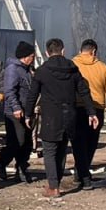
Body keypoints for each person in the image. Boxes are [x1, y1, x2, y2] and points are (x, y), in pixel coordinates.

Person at [25, 38, 97, 197]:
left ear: (46, 52)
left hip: (51, 116)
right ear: (63, 51)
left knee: (50, 151)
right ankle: (67, 181)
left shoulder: (42, 71)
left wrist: (28, 114)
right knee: (62, 149)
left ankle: (53, 186)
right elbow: (84, 91)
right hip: (70, 115)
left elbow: (32, 95)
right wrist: (91, 112)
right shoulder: (73, 69)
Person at [72, 38, 106, 181]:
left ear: (81, 51)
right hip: (96, 109)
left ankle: (79, 170)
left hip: (77, 108)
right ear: (94, 51)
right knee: (91, 142)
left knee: (78, 141)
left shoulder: (72, 64)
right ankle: (83, 171)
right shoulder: (103, 67)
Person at [0, 40, 36, 183]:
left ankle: (22, 166)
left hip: (27, 112)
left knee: (26, 142)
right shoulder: (13, 69)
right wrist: (16, 107)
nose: (33, 58)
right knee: (17, 141)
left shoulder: (27, 70)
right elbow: (9, 91)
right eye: (32, 56)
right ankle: (1, 162)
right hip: (14, 113)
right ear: (25, 56)